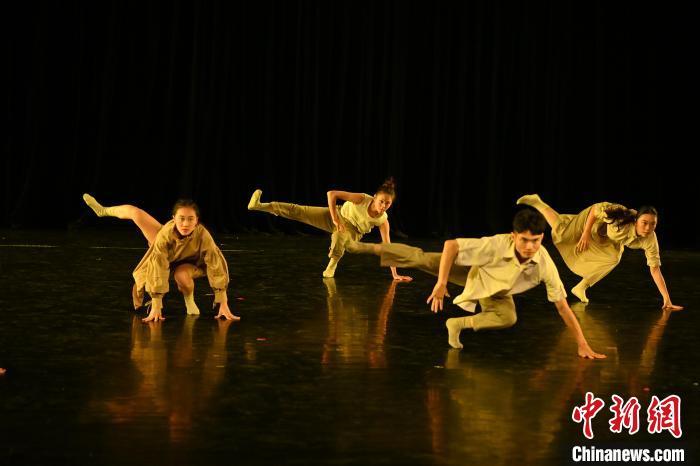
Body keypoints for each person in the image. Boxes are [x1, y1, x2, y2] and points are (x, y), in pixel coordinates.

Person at [349, 209, 606, 359]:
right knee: (420, 258)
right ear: (514, 236)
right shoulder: (497, 244)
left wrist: (582, 343)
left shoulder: (544, 263)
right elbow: (451, 245)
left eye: (536, 241)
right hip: (472, 270)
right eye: (524, 240)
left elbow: (562, 306)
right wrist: (441, 282)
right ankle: (363, 247)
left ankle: (456, 325)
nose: (530, 247)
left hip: (496, 288)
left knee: (508, 317)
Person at [83, 194, 239, 322]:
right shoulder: (165, 234)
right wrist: (157, 303)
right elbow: (158, 264)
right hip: (169, 252)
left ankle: (189, 300)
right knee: (135, 213)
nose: (185, 224)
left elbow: (215, 265)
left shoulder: (203, 235)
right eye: (181, 218)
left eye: (190, 219)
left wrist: (223, 301)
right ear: (173, 219)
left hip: (191, 263)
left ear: (197, 221)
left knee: (181, 275)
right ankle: (103, 210)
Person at [516, 194, 682, 310]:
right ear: (636, 220)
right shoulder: (620, 216)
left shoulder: (650, 239)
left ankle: (581, 287)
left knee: (614, 258)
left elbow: (655, 269)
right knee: (563, 230)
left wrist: (666, 299)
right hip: (593, 224)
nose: (648, 228)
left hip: (608, 242)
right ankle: (537, 202)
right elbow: (595, 209)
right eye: (644, 222)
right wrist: (586, 233)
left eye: (653, 224)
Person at [247, 177, 412, 280]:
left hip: (353, 231)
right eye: (381, 201)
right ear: (375, 198)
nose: (383, 206)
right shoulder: (362, 199)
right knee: (299, 210)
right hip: (338, 215)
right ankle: (259, 206)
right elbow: (331, 194)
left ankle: (332, 264)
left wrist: (395, 274)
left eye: (387, 203)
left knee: (340, 236)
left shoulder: (383, 220)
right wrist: (334, 218)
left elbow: (388, 247)